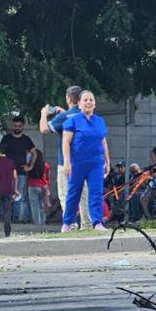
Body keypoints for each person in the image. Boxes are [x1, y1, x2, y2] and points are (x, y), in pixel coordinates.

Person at [61, 90, 110, 232]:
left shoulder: (99, 121)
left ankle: (97, 222)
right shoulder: (73, 120)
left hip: (96, 163)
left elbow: (104, 142)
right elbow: (66, 142)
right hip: (77, 163)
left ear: (95, 103)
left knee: (96, 192)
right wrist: (67, 162)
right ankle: (67, 223)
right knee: (73, 192)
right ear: (79, 104)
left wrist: (107, 161)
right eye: (85, 100)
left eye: (91, 100)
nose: (88, 102)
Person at [41, 87, 88, 227]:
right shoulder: (86, 115)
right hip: (84, 162)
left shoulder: (64, 118)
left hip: (66, 163)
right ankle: (87, 223)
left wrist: (44, 114)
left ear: (68, 98)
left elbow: (44, 129)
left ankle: (71, 223)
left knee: (66, 194)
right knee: (84, 194)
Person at [0, 116, 36, 222]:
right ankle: (7, 217)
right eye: (15, 126)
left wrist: (30, 166)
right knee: (6, 194)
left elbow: (34, 153)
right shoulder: (6, 138)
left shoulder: (26, 139)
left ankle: (16, 218)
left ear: (23, 126)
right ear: (12, 126)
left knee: (19, 195)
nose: (17, 128)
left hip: (21, 172)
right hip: (7, 172)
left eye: (19, 126)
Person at [24, 148, 48, 226]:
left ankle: (37, 223)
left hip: (32, 186)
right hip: (43, 187)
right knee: (42, 205)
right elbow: (48, 177)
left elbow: (27, 177)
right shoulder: (46, 165)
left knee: (35, 206)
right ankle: (43, 223)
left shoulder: (29, 165)